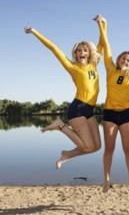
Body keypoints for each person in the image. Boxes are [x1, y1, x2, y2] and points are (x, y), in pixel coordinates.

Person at [24, 25, 103, 169]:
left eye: (85, 50)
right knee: (88, 146)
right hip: (78, 109)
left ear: (89, 52)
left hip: (90, 110)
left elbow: (102, 43)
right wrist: (35, 32)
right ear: (75, 53)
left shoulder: (93, 65)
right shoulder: (72, 67)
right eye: (79, 50)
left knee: (96, 146)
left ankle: (66, 155)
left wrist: (101, 24)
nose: (82, 52)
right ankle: (60, 125)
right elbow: (53, 48)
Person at [94, 15, 129, 193]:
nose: (125, 61)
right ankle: (106, 180)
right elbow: (107, 47)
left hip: (126, 114)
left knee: (128, 149)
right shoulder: (111, 69)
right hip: (110, 114)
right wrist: (102, 26)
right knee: (109, 149)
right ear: (119, 59)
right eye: (123, 59)